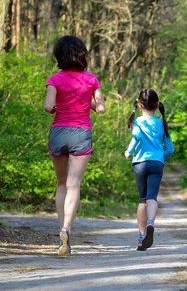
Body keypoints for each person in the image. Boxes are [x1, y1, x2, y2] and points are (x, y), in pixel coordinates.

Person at [43, 35, 106, 257]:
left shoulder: (54, 78)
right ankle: (67, 228)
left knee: (61, 184)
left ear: (59, 55)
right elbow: (101, 109)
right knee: (74, 183)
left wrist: (56, 106)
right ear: (83, 54)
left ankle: (62, 235)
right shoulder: (91, 79)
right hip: (81, 133)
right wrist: (86, 103)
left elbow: (48, 105)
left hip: (59, 132)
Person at [124, 88, 174, 251]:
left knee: (142, 200)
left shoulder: (137, 122)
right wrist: (159, 158)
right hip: (156, 164)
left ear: (139, 105)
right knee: (152, 197)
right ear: (157, 105)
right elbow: (170, 149)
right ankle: (151, 222)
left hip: (140, 163)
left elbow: (136, 138)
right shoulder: (161, 123)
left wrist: (129, 152)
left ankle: (141, 237)